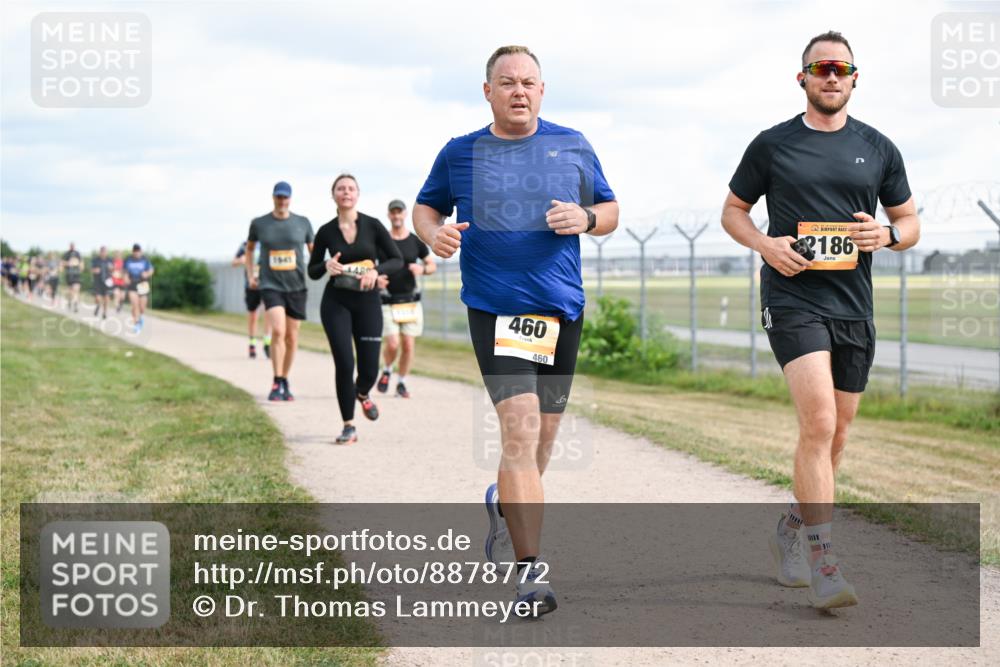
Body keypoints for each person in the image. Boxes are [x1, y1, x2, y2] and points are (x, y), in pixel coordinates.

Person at [413, 45, 618, 616]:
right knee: (521, 435)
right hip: (497, 308)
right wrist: (434, 235)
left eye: (528, 82)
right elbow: (426, 209)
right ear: (488, 91)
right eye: (507, 82)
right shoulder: (461, 153)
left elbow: (610, 208)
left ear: (542, 89)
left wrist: (588, 219)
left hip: (560, 310)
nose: (519, 91)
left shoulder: (571, 143)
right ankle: (532, 576)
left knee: (541, 444)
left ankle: (503, 505)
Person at [721, 31, 920, 609]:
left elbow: (909, 224)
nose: (830, 76)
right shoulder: (773, 145)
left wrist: (888, 234)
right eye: (820, 68)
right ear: (802, 78)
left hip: (854, 304)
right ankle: (825, 562)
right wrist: (764, 245)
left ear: (855, 78)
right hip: (792, 299)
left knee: (837, 434)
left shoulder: (879, 148)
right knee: (818, 422)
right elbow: (733, 211)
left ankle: (791, 524)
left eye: (841, 68)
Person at [308, 175, 404, 444]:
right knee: (344, 363)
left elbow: (396, 259)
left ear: (357, 194)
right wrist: (326, 265)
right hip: (336, 302)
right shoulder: (326, 231)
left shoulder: (373, 226)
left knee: (369, 369)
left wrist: (376, 270)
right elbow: (312, 270)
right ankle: (348, 425)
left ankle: (362, 393)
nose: (346, 192)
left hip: (367, 302)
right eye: (341, 188)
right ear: (334, 195)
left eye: (350, 188)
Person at [246, 181, 314, 401]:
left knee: (292, 337)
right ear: (273, 197)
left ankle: (285, 378)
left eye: (285, 197)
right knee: (277, 330)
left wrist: (321, 268)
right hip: (270, 284)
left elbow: (314, 252)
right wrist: (250, 275)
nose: (282, 201)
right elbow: (249, 250)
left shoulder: (302, 223)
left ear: (290, 199)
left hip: (296, 286)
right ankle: (276, 381)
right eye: (278, 197)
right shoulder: (259, 223)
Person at [376, 199, 436, 398]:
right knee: (393, 343)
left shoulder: (415, 241)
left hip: (410, 301)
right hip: (388, 300)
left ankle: (401, 382)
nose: (396, 216)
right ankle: (387, 369)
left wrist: (422, 269)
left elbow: (431, 265)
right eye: (392, 212)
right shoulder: (383, 241)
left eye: (399, 212)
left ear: (404, 214)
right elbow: (371, 264)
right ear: (389, 215)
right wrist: (377, 278)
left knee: (408, 345)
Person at [233, 240, 271, 359]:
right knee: (253, 315)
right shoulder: (246, 245)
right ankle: (252, 343)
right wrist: (241, 260)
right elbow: (234, 262)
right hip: (251, 285)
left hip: (267, 284)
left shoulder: (269, 242)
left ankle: (267, 343)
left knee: (269, 314)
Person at [123, 244, 154, 333]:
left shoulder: (145, 259)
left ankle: (140, 317)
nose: (137, 253)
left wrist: (147, 274)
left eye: (138, 251)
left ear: (141, 252)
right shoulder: (128, 259)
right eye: (135, 251)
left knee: (142, 307)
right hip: (132, 283)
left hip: (143, 283)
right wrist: (125, 278)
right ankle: (136, 324)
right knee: (134, 304)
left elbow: (151, 270)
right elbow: (124, 271)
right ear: (133, 252)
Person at [91, 246, 115, 319]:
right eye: (102, 251)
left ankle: (104, 313)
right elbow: (91, 270)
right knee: (98, 298)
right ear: (100, 252)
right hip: (98, 281)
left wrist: (112, 268)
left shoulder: (110, 260)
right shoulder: (95, 260)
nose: (103, 253)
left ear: (106, 252)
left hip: (107, 281)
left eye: (105, 251)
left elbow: (113, 270)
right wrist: (95, 270)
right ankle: (98, 305)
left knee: (107, 298)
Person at [62, 242, 83, 312]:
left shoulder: (77, 253)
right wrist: (69, 263)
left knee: (76, 289)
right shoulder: (66, 254)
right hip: (69, 275)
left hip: (77, 275)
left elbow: (81, 263)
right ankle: (70, 301)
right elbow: (62, 262)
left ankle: (75, 305)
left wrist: (80, 267)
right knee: (70, 291)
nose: (72, 247)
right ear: (69, 246)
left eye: (73, 246)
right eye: (71, 246)